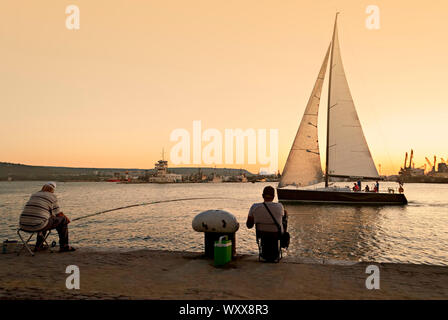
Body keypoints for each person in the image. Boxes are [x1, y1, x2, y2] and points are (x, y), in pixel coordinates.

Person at [19, 182, 75, 252]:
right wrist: (66, 219)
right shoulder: (52, 196)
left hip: (23, 225)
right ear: (53, 190)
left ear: (43, 188)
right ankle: (64, 246)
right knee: (63, 220)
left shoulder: (34, 195)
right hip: (37, 225)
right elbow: (58, 214)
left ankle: (39, 246)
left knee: (43, 219)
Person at [246, 186, 287, 262]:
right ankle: (283, 242)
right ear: (274, 197)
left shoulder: (254, 207)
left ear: (262, 196)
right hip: (276, 234)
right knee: (285, 217)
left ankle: (265, 253)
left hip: (261, 234)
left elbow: (249, 225)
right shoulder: (280, 206)